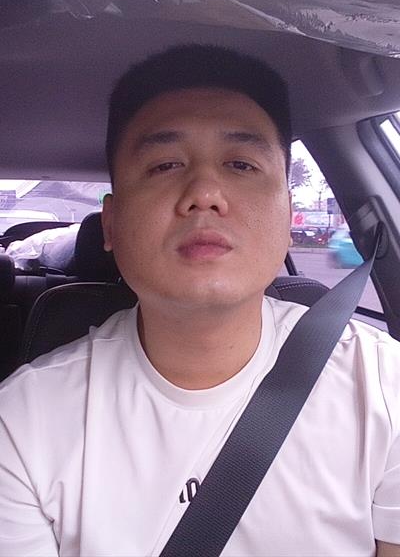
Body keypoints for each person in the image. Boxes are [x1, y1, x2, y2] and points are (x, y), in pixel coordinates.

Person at [0, 44, 399, 557]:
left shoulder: (384, 385)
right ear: (111, 224)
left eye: (241, 164)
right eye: (165, 164)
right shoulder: (21, 425)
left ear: (287, 214)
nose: (205, 192)